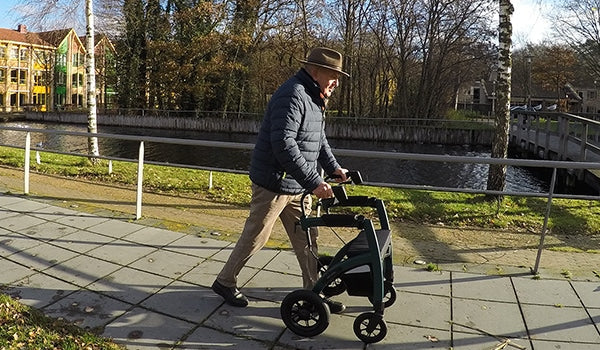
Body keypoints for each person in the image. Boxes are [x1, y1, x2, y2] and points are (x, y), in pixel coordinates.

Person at [211, 47, 349, 313]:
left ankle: (314, 293)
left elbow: (317, 140)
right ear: (315, 71)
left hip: (298, 184)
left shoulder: (315, 96)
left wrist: (333, 168)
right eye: (333, 75)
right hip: (273, 183)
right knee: (256, 236)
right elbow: (283, 144)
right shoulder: (293, 93)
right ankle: (225, 281)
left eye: (337, 76)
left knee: (308, 240)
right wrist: (313, 181)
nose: (336, 82)